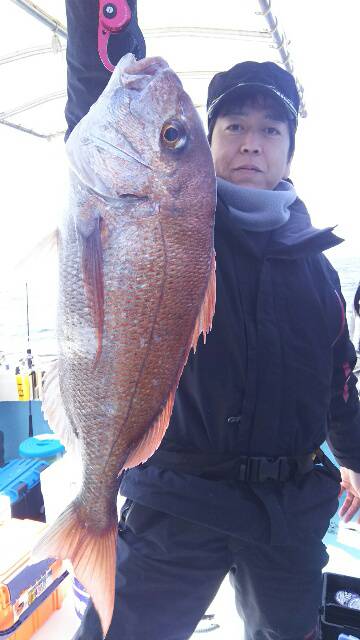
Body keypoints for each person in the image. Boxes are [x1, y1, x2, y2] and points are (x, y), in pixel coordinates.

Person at [66, 5, 360, 639]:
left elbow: (338, 382)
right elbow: (110, 93)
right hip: (177, 501)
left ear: (289, 149)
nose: (251, 141)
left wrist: (356, 458)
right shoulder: (171, 217)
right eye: (232, 125)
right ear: (207, 139)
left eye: (270, 129)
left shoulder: (320, 270)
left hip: (287, 515)